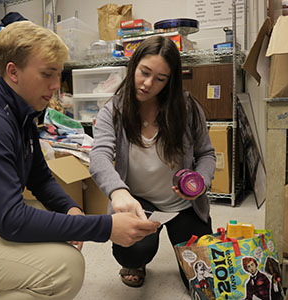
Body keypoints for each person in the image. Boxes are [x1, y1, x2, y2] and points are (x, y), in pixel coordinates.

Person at [0, 21, 161, 300]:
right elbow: (12, 221)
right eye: (46, 74)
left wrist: (70, 208)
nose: (55, 85)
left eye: (58, 75)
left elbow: (39, 178)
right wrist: (105, 227)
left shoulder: (20, 114)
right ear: (13, 72)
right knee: (65, 267)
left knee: (51, 224)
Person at [89, 35, 216, 288]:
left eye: (160, 79)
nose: (148, 84)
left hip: (184, 204)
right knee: (134, 250)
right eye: (144, 73)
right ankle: (136, 262)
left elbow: (206, 154)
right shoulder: (113, 110)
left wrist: (200, 182)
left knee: (201, 277)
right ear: (133, 65)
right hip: (139, 204)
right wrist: (118, 192)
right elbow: (99, 155)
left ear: (170, 81)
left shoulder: (188, 108)